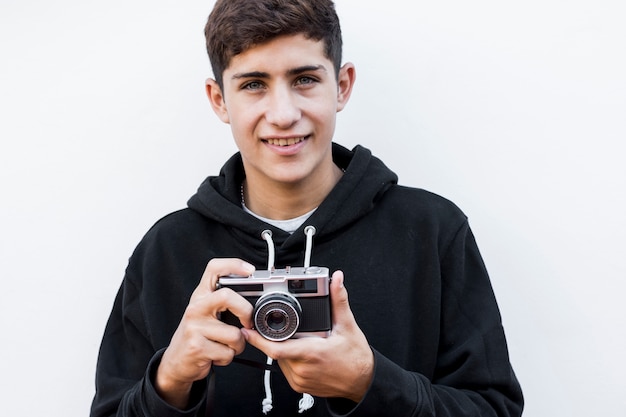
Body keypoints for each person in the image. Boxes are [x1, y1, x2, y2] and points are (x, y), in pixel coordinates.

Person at [90, 0, 524, 416]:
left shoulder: (432, 231)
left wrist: (369, 381)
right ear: (220, 99)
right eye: (253, 84)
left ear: (343, 85)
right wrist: (168, 382)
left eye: (304, 79)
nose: (282, 114)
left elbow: (495, 407)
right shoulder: (165, 250)